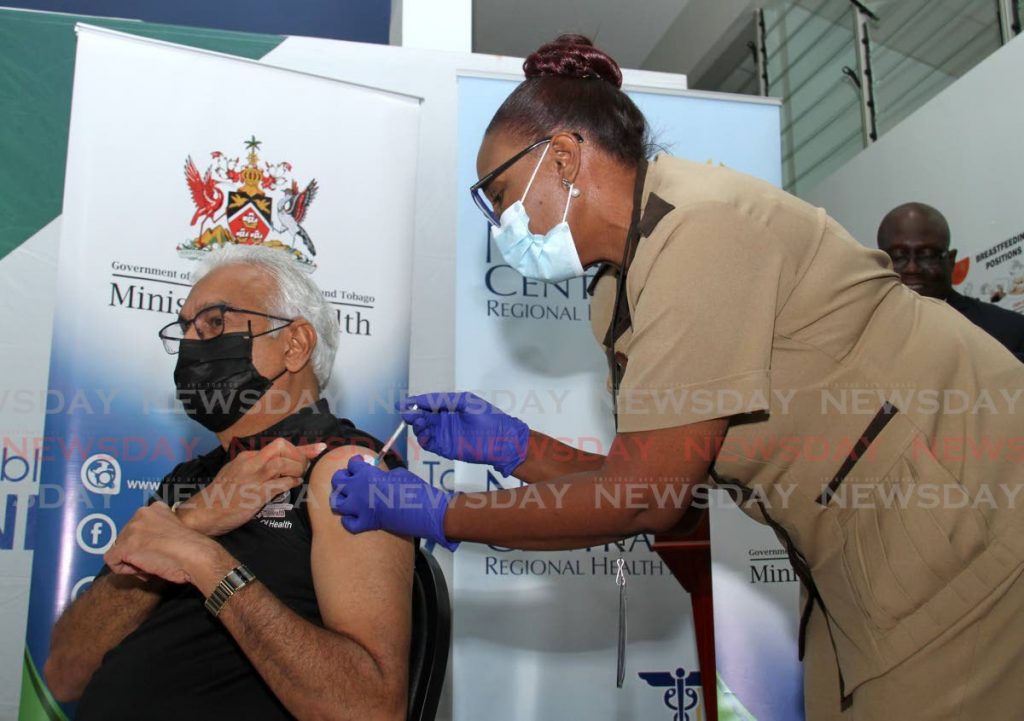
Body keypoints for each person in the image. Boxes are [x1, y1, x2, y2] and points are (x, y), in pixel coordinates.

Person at [331, 34, 1024, 720]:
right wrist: (514, 447)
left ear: (565, 157)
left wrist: (437, 512)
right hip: (878, 543)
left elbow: (641, 499)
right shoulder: (622, 288)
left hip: (970, 516)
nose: (501, 223)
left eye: (501, 194)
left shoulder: (700, 226)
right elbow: (667, 486)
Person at [43, 245, 413, 721]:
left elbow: (369, 709)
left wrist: (203, 559)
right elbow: (66, 670)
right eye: (186, 330)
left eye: (216, 323)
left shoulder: (349, 470)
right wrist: (192, 521)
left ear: (296, 344)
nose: (193, 346)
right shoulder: (189, 482)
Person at [877, 201, 1024, 361]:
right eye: (898, 256)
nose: (912, 269)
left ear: (951, 260)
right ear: (879, 263)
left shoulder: (1010, 331)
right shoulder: (859, 334)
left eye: (927, 255)